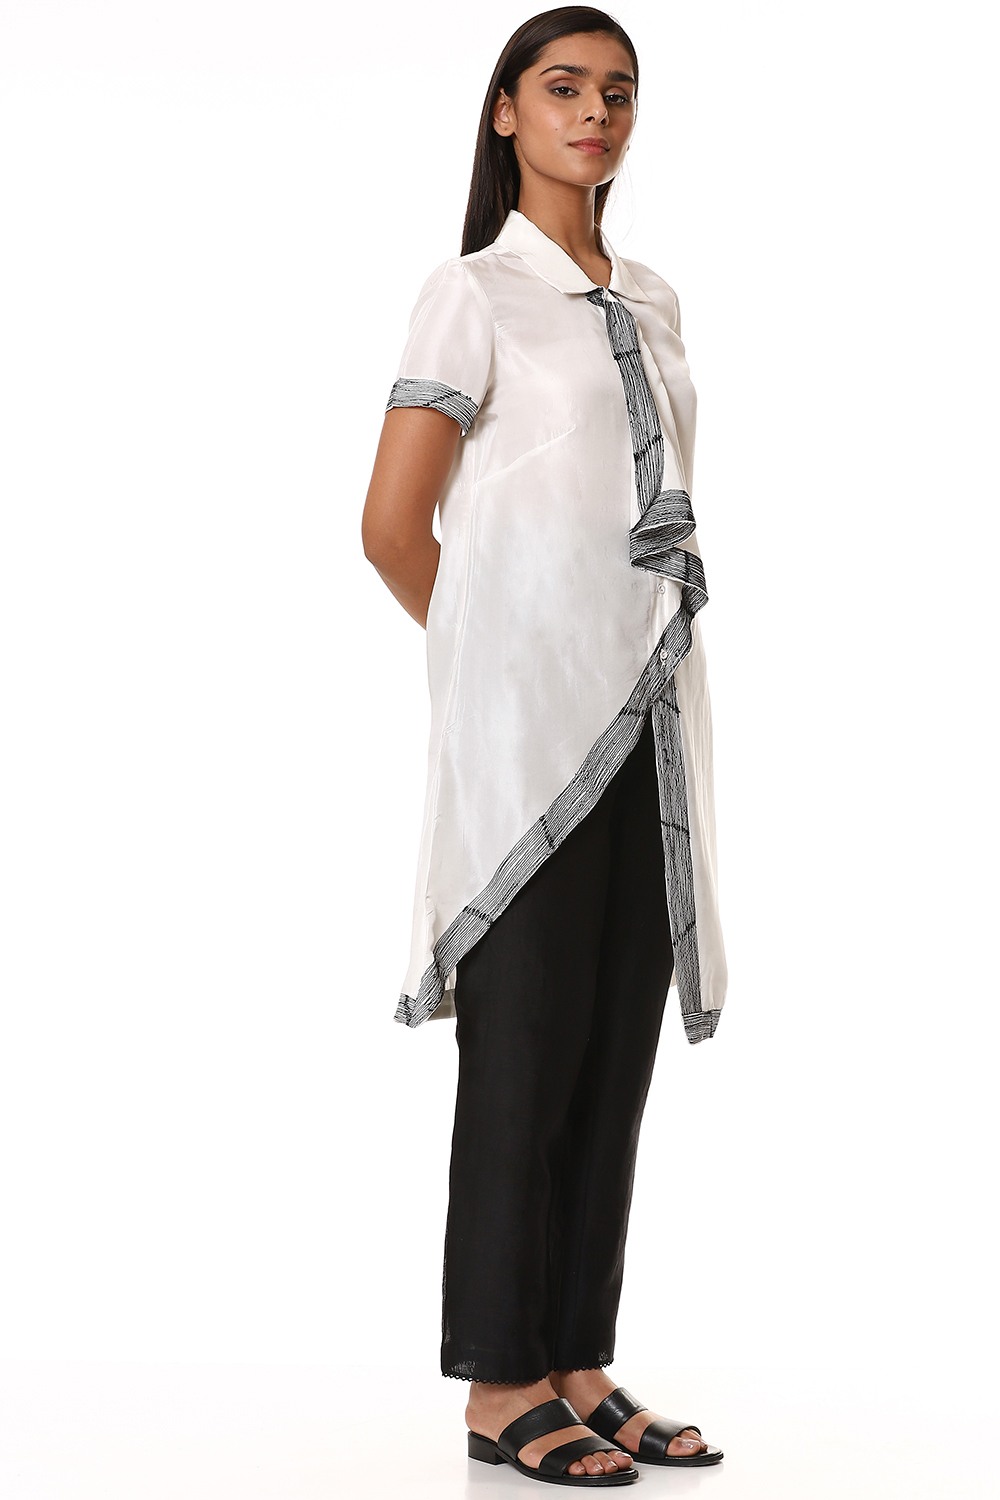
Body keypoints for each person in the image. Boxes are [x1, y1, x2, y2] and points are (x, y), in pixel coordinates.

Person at [362, 6, 728, 1487]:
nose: (596, 113)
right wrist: (499, 665)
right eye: (565, 88)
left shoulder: (655, 297)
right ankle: (498, 1383)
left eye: (618, 92)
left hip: (649, 720)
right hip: (528, 739)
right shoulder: (472, 294)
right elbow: (394, 527)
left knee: (611, 1049)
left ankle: (576, 1359)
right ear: (507, 111)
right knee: (521, 1055)